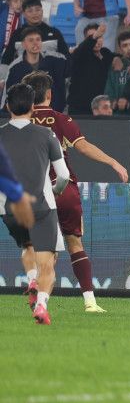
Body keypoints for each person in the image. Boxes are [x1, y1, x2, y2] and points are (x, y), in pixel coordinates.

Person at [0, 83, 69, 325]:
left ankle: (31, 278)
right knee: (47, 262)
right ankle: (41, 305)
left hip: (9, 211)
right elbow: (63, 176)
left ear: (7, 106)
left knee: (27, 245)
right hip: (41, 208)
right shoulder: (47, 135)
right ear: (32, 107)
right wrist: (55, 192)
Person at [6, 27, 66, 109]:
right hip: (25, 115)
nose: (35, 43)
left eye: (38, 40)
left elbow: (60, 88)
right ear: (23, 44)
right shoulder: (15, 67)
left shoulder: (55, 61)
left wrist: (57, 110)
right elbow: (9, 95)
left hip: (52, 113)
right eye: (31, 40)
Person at [66, 23, 113, 115]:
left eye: (99, 37)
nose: (96, 41)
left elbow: (117, 57)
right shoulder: (80, 54)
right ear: (86, 40)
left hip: (100, 110)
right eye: (92, 37)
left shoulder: (106, 53)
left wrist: (117, 59)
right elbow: (80, 51)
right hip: (79, 109)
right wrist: (95, 36)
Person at [1, 0, 65, 63]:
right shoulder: (17, 34)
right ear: (23, 14)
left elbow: (66, 57)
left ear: (42, 11)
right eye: (30, 11)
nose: (35, 13)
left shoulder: (55, 33)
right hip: (24, 71)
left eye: (37, 10)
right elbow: (6, 60)